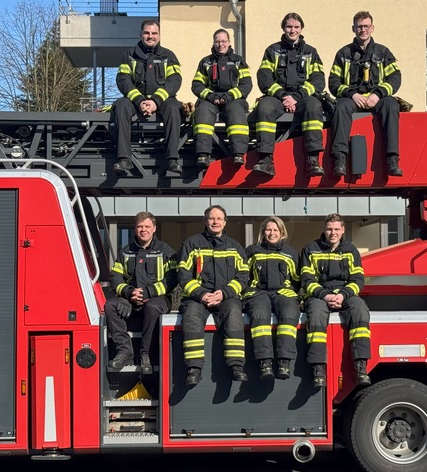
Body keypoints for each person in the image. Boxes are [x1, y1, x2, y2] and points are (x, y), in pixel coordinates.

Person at [178, 205, 249, 386]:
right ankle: (194, 369)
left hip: (226, 297)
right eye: (211, 218)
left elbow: (243, 276)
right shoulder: (192, 244)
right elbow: (183, 275)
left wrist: (224, 293)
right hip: (198, 298)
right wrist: (201, 294)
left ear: (225, 222)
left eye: (219, 218)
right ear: (205, 221)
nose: (215, 221)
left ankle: (236, 366)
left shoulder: (235, 247)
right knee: (191, 316)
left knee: (234, 314)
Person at [300, 213, 371, 388]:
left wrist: (342, 295)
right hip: (319, 295)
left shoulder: (351, 250)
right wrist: (326, 296)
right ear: (324, 230)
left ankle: (361, 367)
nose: (333, 233)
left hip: (344, 294)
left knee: (360, 309)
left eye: (337, 229)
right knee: (316, 315)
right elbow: (307, 281)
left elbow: (358, 280)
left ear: (343, 230)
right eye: (330, 229)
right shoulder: (310, 249)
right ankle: (318, 369)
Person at [328, 11, 403, 177]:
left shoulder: (383, 53)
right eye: (359, 26)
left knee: (391, 105)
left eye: (366, 26)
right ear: (353, 28)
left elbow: (395, 78)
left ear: (372, 28)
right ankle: (339, 158)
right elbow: (333, 83)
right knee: (340, 107)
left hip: (378, 98)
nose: (363, 30)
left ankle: (392, 159)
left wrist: (378, 94)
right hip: (352, 99)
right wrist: (352, 94)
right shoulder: (343, 53)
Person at [253, 12, 326, 178]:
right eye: (289, 27)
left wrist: (297, 97)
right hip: (278, 98)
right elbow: (264, 78)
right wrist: (283, 96)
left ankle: (313, 159)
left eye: (296, 27)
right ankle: (265, 160)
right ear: (283, 28)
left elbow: (318, 80)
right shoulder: (272, 50)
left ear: (301, 29)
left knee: (314, 106)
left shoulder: (311, 52)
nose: (292, 30)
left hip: (302, 98)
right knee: (264, 108)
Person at [105, 211, 178, 373]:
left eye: (147, 226)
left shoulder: (165, 251)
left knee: (152, 307)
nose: (143, 230)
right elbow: (115, 277)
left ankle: (146, 354)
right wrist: (128, 292)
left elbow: (172, 279)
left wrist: (148, 292)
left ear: (154, 229)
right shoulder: (126, 251)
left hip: (158, 298)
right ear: (135, 229)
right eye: (139, 226)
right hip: (131, 297)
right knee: (110, 306)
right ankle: (124, 350)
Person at [111, 19, 183, 176]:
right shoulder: (128, 56)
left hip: (162, 100)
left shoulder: (169, 56)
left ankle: (172, 159)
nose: (150, 36)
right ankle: (124, 159)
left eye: (154, 33)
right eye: (147, 33)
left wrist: (156, 101)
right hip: (135, 100)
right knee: (121, 106)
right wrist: (139, 101)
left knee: (173, 107)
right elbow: (123, 80)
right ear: (141, 34)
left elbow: (174, 81)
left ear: (159, 36)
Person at [243, 216, 301, 381]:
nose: (272, 233)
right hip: (258, 293)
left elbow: (297, 278)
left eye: (275, 230)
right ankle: (265, 364)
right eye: (268, 229)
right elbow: (243, 275)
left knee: (290, 314)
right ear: (263, 232)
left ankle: (284, 363)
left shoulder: (290, 252)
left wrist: (293, 293)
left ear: (282, 232)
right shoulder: (252, 251)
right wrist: (249, 292)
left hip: (284, 293)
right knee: (260, 315)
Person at [191, 29, 253, 170]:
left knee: (236, 111)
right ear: (213, 43)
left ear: (229, 42)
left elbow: (246, 85)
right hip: (211, 99)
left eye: (224, 41)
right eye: (217, 41)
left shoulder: (238, 61)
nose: (221, 44)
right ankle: (203, 154)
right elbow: (197, 85)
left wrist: (229, 96)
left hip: (233, 99)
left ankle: (238, 153)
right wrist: (212, 97)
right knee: (203, 111)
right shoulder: (205, 62)